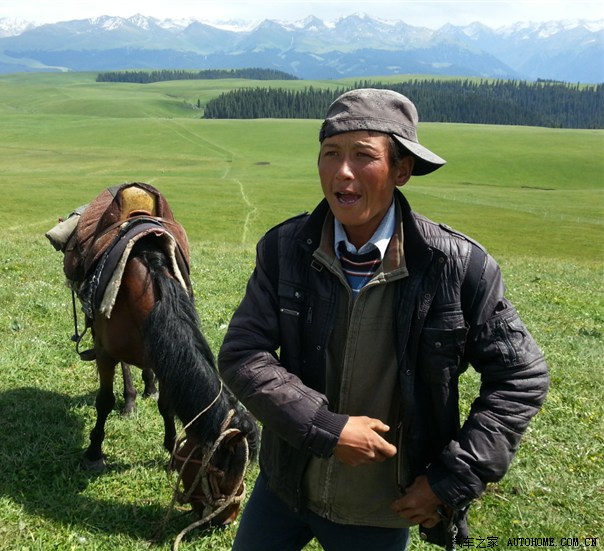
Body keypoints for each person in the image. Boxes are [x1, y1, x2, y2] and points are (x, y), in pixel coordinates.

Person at [217, 88, 549, 551]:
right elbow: (242, 354)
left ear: (402, 169)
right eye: (330, 153)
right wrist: (327, 429)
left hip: (382, 507)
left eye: (363, 155)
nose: (343, 171)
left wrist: (450, 480)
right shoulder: (284, 250)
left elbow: (521, 376)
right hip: (284, 485)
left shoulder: (455, 266)